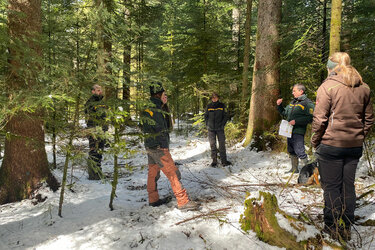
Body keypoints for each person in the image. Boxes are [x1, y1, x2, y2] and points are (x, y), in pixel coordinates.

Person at [311, 52, 374, 240]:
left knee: (331, 187)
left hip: (331, 144)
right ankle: (346, 223)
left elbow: (319, 119)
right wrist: (359, 137)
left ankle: (332, 228)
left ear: (331, 68)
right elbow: (369, 119)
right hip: (353, 146)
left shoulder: (328, 86)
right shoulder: (364, 87)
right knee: (348, 186)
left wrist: (316, 141)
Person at [141, 82, 198, 210]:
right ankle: (183, 201)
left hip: (150, 146)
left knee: (153, 172)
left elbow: (144, 126)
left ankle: (153, 199)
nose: (165, 96)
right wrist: (164, 147)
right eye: (164, 94)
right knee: (173, 172)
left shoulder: (148, 107)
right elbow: (161, 129)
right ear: (159, 94)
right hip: (159, 148)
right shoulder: (156, 109)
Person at [276, 84, 314, 173]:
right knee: (291, 150)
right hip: (289, 131)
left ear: (301, 91)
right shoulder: (293, 102)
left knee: (299, 150)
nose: (292, 93)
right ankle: (294, 169)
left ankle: (308, 171)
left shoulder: (308, 103)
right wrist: (279, 105)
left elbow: (311, 118)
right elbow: (285, 113)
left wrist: (296, 121)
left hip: (298, 130)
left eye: (294, 91)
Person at [84, 84, 108, 180]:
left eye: (100, 90)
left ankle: (98, 171)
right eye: (98, 90)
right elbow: (88, 111)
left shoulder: (102, 102)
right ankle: (93, 174)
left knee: (100, 151)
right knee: (94, 151)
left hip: (102, 130)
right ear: (93, 91)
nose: (100, 92)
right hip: (93, 129)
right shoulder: (90, 102)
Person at [204, 93, 231, 167]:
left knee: (222, 144)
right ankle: (214, 161)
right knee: (213, 145)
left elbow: (226, 116)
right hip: (211, 129)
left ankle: (224, 161)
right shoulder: (209, 106)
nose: (214, 99)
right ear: (211, 99)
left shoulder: (222, 105)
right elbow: (206, 116)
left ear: (218, 98)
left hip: (220, 129)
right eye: (213, 98)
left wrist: (222, 125)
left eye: (215, 97)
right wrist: (207, 124)